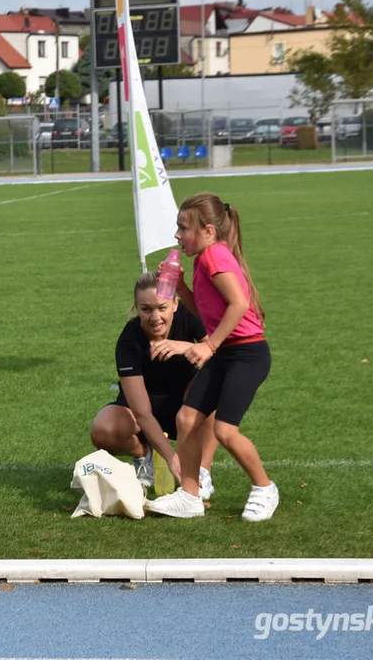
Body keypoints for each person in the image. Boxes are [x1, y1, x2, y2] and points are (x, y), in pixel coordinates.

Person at [145, 192, 277, 522]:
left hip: (247, 354)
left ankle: (264, 488)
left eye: (183, 228)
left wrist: (209, 346)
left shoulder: (215, 257)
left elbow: (239, 305)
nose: (177, 236)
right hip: (228, 353)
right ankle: (190, 496)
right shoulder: (203, 260)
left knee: (225, 431)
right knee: (187, 419)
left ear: (207, 231)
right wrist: (179, 286)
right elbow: (206, 310)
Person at [90, 271, 219, 498]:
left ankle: (202, 472)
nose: (155, 317)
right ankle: (144, 456)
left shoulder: (189, 317)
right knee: (104, 430)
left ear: (175, 305)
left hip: (185, 402)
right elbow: (141, 412)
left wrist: (184, 346)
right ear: (136, 307)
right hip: (142, 408)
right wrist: (171, 457)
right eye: (146, 309)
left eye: (162, 307)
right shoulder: (129, 340)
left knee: (215, 386)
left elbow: (221, 356)